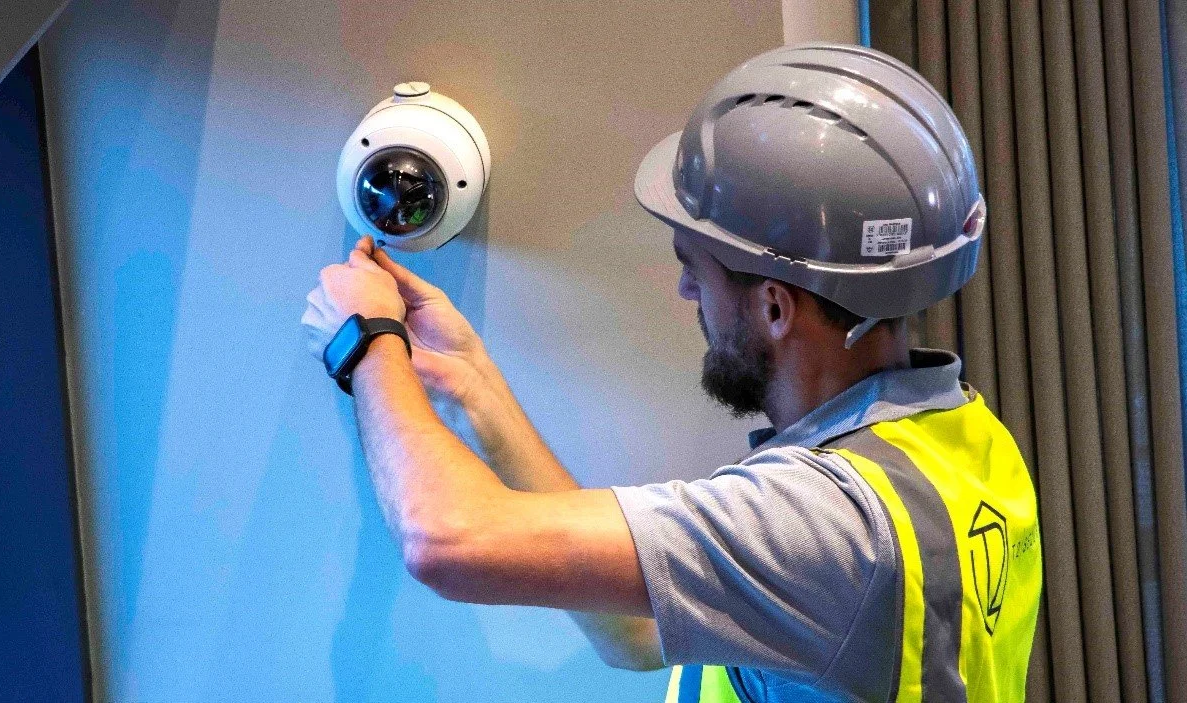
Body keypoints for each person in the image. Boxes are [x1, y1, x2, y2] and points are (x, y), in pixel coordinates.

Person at [302, 43, 1042, 702]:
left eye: (696, 270)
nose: (686, 293)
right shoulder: (967, 449)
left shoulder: (822, 529)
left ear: (775, 307)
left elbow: (446, 539)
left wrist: (367, 341)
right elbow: (634, 631)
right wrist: (474, 386)